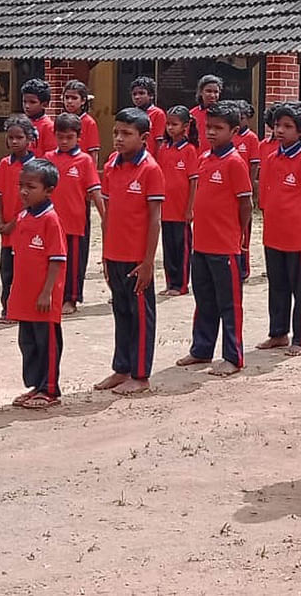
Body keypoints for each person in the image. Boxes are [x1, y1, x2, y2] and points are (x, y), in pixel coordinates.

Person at [177, 100, 253, 377]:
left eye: (218, 128)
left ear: (233, 130)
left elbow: (246, 204)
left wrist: (239, 235)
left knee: (229, 303)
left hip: (225, 245)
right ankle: (201, 349)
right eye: (208, 127)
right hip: (202, 243)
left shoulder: (235, 163)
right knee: (204, 299)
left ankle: (233, 356)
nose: (211, 133)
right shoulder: (205, 158)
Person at [97, 107, 165, 394]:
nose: (119, 139)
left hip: (137, 259)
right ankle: (121, 368)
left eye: (127, 133)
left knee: (140, 316)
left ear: (144, 137)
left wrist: (148, 261)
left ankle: (140, 374)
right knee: (121, 313)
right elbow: (108, 212)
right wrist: (104, 253)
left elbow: (154, 219)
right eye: (116, 133)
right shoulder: (112, 165)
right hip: (115, 254)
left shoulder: (150, 169)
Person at [259, 101, 301, 355]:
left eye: (288, 126)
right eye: (277, 125)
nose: (280, 130)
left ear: (300, 131)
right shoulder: (272, 157)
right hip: (272, 230)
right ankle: (278, 332)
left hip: (294, 232)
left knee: (300, 286)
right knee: (277, 284)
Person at [7, 158, 68, 409]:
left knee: (47, 342)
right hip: (24, 294)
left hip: (44, 297)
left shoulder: (50, 220)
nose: (23, 191)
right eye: (21, 185)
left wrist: (47, 292)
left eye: (30, 187)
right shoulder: (22, 217)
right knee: (28, 342)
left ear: (48, 190)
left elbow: (56, 259)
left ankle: (50, 389)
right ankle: (36, 386)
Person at [48, 113, 105, 314]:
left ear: (78, 137)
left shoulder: (84, 161)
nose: (64, 141)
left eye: (69, 137)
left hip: (75, 220)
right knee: (52, 260)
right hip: (52, 222)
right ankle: (53, 294)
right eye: (60, 136)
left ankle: (71, 299)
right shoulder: (48, 158)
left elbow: (95, 190)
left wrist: (105, 218)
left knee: (74, 262)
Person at [0, 115, 37, 325]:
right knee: (6, 271)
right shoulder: (4, 164)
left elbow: (33, 202)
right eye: (11, 138)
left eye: (19, 137)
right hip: (7, 231)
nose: (14, 141)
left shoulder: (35, 167)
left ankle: (21, 309)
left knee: (24, 272)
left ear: (29, 139)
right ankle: (6, 308)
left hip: (24, 228)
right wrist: (2, 222)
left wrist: (13, 224)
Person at [156, 105, 198, 296]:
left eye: (175, 124)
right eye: (168, 124)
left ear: (186, 126)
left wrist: (190, 208)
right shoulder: (163, 148)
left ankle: (181, 284)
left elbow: (193, 181)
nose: (170, 128)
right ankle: (169, 282)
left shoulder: (189, 150)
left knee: (182, 248)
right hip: (166, 208)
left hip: (181, 209)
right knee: (168, 247)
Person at [234, 100, 261, 280]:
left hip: (244, 189)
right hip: (230, 190)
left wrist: (250, 187)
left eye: (243, 117)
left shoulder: (251, 138)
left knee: (245, 230)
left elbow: (254, 164)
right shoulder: (231, 135)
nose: (240, 120)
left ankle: (244, 267)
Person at [63, 80, 100, 161]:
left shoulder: (89, 122)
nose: (69, 101)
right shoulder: (61, 121)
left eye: (74, 98)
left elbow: (93, 153)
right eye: (67, 97)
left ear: (83, 101)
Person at [21, 78, 57, 155]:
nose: (27, 106)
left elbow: (50, 154)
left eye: (32, 102)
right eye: (24, 101)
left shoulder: (49, 126)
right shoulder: (20, 123)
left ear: (45, 104)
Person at [131, 76, 165, 153]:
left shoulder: (158, 113)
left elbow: (159, 142)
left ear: (151, 95)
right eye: (134, 94)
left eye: (141, 93)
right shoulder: (131, 114)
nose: (137, 97)